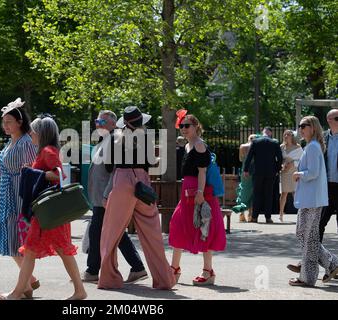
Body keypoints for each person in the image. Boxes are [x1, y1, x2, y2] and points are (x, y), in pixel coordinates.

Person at [0, 117, 87, 300]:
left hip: (49, 212)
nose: (30, 133)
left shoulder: (47, 150)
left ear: (41, 133)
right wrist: (32, 169)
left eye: (33, 131)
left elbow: (58, 174)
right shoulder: (44, 151)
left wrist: (34, 172)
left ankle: (18, 292)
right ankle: (78, 290)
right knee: (44, 251)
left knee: (43, 251)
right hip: (48, 212)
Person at [98, 106, 175, 290]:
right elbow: (151, 164)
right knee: (153, 235)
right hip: (142, 184)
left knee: (110, 234)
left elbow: (109, 167)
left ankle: (109, 279)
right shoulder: (147, 137)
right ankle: (164, 279)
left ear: (124, 122)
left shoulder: (114, 138)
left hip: (122, 181)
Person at [83, 110, 147, 283]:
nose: (98, 124)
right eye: (97, 121)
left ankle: (92, 270)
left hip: (105, 196)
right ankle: (137, 267)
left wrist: (106, 194)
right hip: (100, 196)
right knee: (115, 232)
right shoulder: (105, 140)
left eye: (102, 122)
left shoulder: (114, 140)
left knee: (97, 232)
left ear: (113, 123)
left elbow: (116, 172)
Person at [169, 112, 227, 285]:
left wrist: (200, 193)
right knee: (179, 225)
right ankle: (174, 268)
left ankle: (207, 271)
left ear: (196, 127)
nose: (184, 129)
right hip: (187, 193)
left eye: (187, 125)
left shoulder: (199, 145)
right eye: (182, 126)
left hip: (198, 193)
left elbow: (202, 172)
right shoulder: (187, 146)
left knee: (204, 229)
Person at [0, 98, 40, 297]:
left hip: (19, 194)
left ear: (19, 122)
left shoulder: (25, 142)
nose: (5, 126)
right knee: (10, 240)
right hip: (8, 191)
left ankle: (26, 286)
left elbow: (33, 169)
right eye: (3, 122)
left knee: (16, 242)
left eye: (8, 122)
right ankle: (29, 282)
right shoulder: (11, 141)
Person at [288, 116, 338, 286]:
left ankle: (308, 277)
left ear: (313, 128)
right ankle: (332, 263)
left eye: (304, 125)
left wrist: (298, 174)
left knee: (308, 237)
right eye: (300, 125)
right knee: (306, 235)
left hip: (312, 200)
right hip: (310, 199)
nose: (300, 128)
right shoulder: (311, 146)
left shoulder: (313, 147)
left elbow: (313, 172)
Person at [243, 127, 283, 223]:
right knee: (268, 194)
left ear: (263, 132)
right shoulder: (275, 142)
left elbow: (249, 157)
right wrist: (277, 169)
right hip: (271, 172)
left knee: (257, 193)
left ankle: (254, 217)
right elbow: (280, 158)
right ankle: (268, 217)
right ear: (270, 133)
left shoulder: (256, 142)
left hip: (258, 171)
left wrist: (246, 169)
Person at [319, 109, 338, 242]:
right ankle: (310, 259)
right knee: (318, 224)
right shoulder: (323, 138)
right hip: (326, 187)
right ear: (329, 120)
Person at [279, 130, 303, 222]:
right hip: (284, 172)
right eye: (284, 134)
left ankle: (300, 214)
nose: (286, 136)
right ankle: (281, 214)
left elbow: (302, 161)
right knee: (283, 193)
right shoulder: (281, 147)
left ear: (292, 136)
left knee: (295, 192)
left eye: (288, 134)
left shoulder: (298, 147)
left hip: (294, 171)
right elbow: (279, 159)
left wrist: (293, 164)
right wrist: (281, 165)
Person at [233, 134, 258, 222]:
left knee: (243, 191)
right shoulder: (257, 147)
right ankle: (250, 214)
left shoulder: (243, 146)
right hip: (254, 171)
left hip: (245, 170)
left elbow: (240, 159)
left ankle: (241, 214)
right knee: (252, 191)